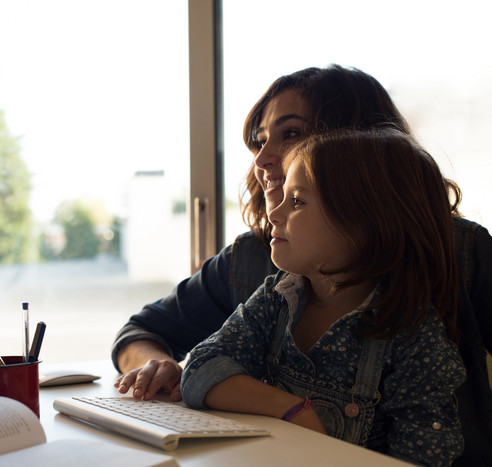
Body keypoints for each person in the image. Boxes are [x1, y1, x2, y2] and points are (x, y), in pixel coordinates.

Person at [111, 65, 492, 464]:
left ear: (360, 149)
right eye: (259, 141)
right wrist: (156, 366)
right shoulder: (260, 263)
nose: (262, 159)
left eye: (291, 133)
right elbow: (144, 330)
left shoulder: (460, 254)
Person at [180, 128, 465, 466]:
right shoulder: (277, 299)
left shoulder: (414, 337)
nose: (274, 213)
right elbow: (201, 368)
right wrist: (291, 409)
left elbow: (425, 453)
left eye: (297, 201)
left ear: (367, 222)